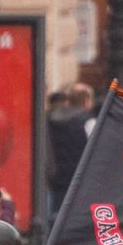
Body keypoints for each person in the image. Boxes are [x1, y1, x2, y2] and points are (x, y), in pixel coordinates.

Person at [47, 82, 95, 217]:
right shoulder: (88, 122)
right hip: (80, 179)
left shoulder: (51, 118)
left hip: (56, 178)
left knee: (56, 216)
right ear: (86, 101)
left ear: (68, 101)